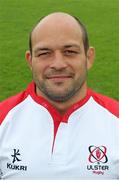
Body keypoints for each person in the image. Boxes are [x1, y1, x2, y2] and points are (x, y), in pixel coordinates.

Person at [0, 12, 119, 180]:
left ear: (89, 57)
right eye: (44, 53)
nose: (58, 64)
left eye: (69, 51)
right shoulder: (3, 119)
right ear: (30, 61)